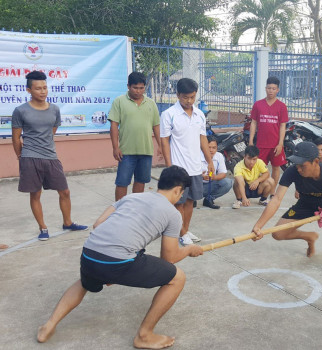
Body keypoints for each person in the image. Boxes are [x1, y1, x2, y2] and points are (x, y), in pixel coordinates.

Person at [36, 165, 203, 349]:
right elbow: (168, 258)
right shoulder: (173, 214)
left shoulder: (131, 197)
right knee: (178, 278)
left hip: (89, 254)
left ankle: (49, 325)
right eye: (181, 194)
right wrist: (189, 250)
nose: (180, 198)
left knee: (85, 282)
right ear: (178, 190)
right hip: (117, 262)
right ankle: (144, 335)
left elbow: (98, 224)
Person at [251, 141, 322, 277]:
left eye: (303, 166)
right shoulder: (292, 172)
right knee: (278, 234)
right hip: (305, 203)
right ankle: (309, 237)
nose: (299, 169)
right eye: (297, 165)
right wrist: (258, 226)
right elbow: (276, 199)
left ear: (315, 162)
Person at [11, 71, 87, 241]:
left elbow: (51, 132)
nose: (43, 91)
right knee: (35, 194)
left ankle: (67, 222)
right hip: (30, 157)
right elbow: (16, 137)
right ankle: (43, 228)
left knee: (65, 191)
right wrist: (20, 156)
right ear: (29, 90)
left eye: (45, 87)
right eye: (38, 88)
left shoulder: (54, 109)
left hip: (51, 156)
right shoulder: (20, 111)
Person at [160, 78, 214, 246]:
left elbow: (203, 139)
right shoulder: (169, 114)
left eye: (192, 97)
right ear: (177, 95)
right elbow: (164, 141)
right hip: (178, 167)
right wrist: (170, 166)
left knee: (191, 201)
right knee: (179, 203)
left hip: (195, 167)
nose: (189, 101)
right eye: (185, 97)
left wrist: (209, 161)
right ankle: (182, 233)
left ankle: (186, 230)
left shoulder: (199, 114)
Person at [108, 71, 161, 201]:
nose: (138, 91)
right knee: (122, 182)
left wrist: (161, 146)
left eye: (141, 88)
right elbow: (114, 126)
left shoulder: (151, 104)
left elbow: (156, 127)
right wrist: (115, 147)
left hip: (146, 151)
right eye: (135, 88)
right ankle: (119, 210)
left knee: (141, 181)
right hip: (126, 152)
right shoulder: (119, 102)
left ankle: (136, 208)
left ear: (145, 87)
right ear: (128, 86)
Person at [249, 76, 288, 197]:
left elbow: (282, 126)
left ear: (278, 90)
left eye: (274, 88)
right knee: (259, 168)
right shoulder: (258, 105)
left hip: (276, 144)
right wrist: (251, 141)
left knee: (276, 168)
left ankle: (272, 191)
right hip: (261, 144)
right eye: (269, 88)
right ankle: (260, 191)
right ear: (265, 88)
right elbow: (254, 123)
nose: (271, 90)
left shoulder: (282, 106)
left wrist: (280, 143)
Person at [201, 135, 232, 209]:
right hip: (197, 185)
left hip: (210, 184)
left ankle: (209, 199)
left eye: (214, 147)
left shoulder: (219, 156)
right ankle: (192, 199)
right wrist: (200, 176)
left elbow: (223, 174)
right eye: (208, 147)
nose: (211, 150)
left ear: (217, 148)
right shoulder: (197, 156)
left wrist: (214, 177)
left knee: (227, 183)